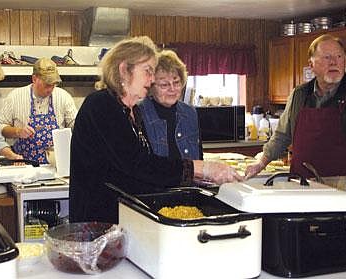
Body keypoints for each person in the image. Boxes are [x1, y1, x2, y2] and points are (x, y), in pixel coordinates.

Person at [69, 36, 242, 224]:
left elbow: (141, 172)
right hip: (97, 222)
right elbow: (138, 164)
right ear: (124, 70)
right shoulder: (101, 105)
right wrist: (201, 168)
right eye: (147, 71)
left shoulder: (132, 111)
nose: (151, 79)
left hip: (123, 219)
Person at [246, 34, 346, 179]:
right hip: (302, 187)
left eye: (339, 57)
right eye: (327, 57)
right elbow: (282, 136)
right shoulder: (299, 95)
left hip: (345, 191)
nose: (334, 62)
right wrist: (260, 164)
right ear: (311, 65)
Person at [0, 57, 77, 164]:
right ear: (34, 79)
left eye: (54, 84)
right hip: (23, 165)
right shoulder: (15, 97)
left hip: (56, 165)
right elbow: (0, 128)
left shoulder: (63, 97)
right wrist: (17, 131)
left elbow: (75, 126)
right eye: (47, 84)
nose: (50, 89)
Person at [138, 49, 202, 160]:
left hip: (187, 177)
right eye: (164, 85)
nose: (172, 89)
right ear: (151, 86)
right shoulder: (139, 113)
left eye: (176, 82)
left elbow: (199, 158)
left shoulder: (190, 113)